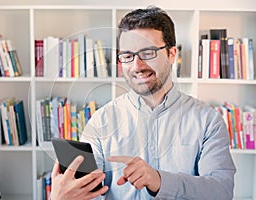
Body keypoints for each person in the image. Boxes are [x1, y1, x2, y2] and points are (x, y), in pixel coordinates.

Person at [50, 6, 236, 200]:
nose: (137, 66)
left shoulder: (208, 121)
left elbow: (221, 191)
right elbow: (88, 191)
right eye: (128, 56)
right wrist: (62, 196)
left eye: (148, 53)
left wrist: (159, 180)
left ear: (172, 54)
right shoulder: (100, 121)